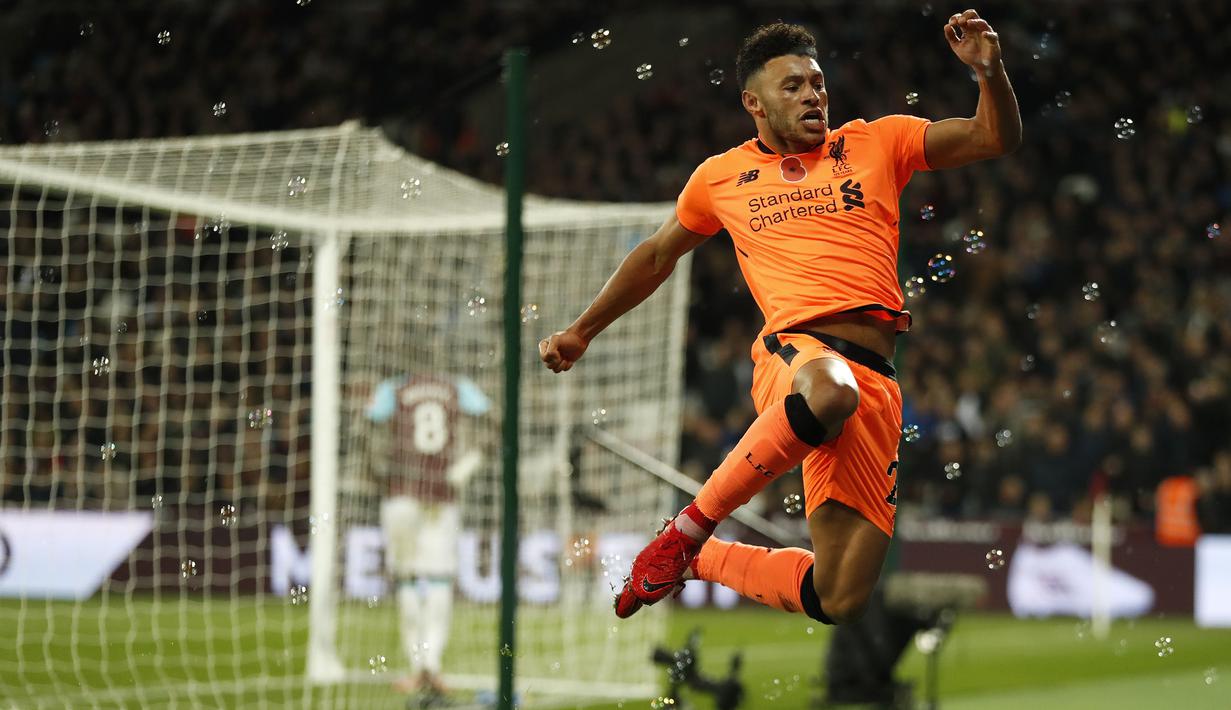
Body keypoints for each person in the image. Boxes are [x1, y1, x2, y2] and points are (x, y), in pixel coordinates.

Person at [539, 11, 1020, 625]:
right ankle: (686, 528)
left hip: (877, 381)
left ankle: (698, 559)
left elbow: (992, 137)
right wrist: (583, 329)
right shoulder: (719, 177)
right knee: (830, 390)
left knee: (839, 595)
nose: (812, 94)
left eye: (817, 82)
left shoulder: (878, 141)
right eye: (792, 85)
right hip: (798, 355)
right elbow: (658, 254)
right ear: (754, 103)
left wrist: (990, 72)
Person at [364, 372, 489, 702]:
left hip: (401, 495)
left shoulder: (391, 387)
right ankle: (432, 665)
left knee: (407, 578)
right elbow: (488, 430)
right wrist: (464, 469)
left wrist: (385, 480)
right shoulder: (461, 387)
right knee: (440, 578)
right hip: (443, 493)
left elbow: (371, 436)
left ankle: (417, 667)